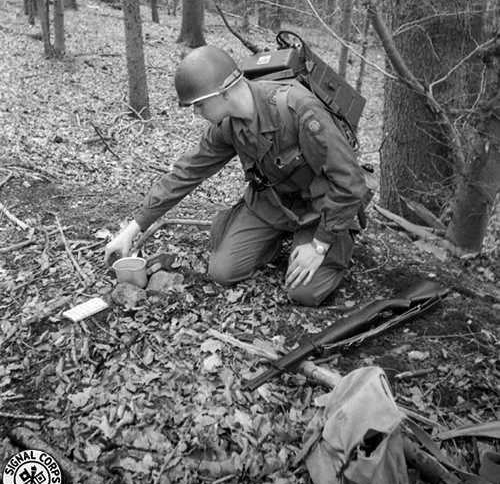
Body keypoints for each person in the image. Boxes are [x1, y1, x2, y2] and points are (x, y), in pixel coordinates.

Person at [104, 45, 367, 306]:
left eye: (199, 104)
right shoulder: (227, 126)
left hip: (319, 210)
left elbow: (350, 181)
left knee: (304, 292)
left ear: (224, 92)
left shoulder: (299, 109)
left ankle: (335, 242)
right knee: (222, 272)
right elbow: (185, 173)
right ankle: (273, 241)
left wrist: (319, 245)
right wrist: (132, 229)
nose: (197, 113)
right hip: (272, 206)